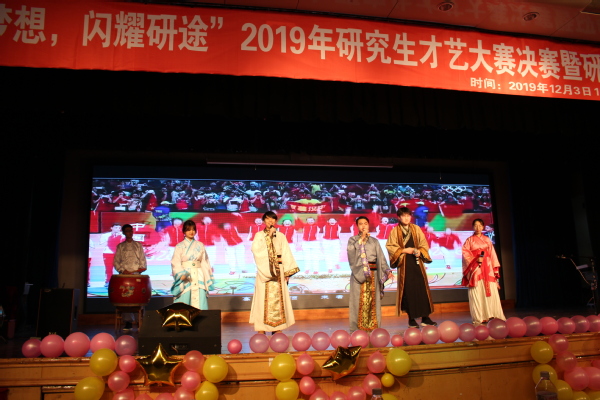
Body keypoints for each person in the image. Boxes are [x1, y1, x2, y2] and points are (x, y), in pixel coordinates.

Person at [249, 211, 299, 334]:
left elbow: (286, 252)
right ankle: (261, 327)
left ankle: (277, 327)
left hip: (279, 271)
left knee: (279, 299)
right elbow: (256, 250)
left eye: (273, 219)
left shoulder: (281, 236)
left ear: (276, 221)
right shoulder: (259, 235)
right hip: (264, 271)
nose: (270, 221)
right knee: (262, 298)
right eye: (267, 219)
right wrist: (268, 237)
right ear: (264, 220)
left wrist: (287, 272)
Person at [386, 207, 436, 328]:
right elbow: (390, 246)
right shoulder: (395, 231)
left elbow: (423, 244)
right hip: (404, 263)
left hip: (417, 262)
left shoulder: (416, 228)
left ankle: (425, 317)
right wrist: (404, 250)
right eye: (403, 216)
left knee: (421, 288)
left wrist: (419, 251)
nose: (406, 218)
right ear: (399, 217)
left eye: (408, 216)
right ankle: (411, 318)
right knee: (408, 290)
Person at [347, 216, 392, 333]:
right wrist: (360, 240)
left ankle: (374, 330)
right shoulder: (352, 240)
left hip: (373, 275)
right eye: (360, 224)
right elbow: (351, 256)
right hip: (359, 275)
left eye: (365, 223)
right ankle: (356, 330)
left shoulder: (374, 241)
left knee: (373, 302)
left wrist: (387, 270)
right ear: (357, 226)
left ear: (368, 225)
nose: (363, 226)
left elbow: (381, 258)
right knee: (358, 302)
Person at [462, 218, 506, 325]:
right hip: (476, 268)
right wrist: (475, 260)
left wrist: (494, 269)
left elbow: (492, 254)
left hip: (487, 267)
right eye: (475, 225)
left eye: (480, 225)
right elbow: (465, 254)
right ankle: (479, 317)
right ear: (473, 227)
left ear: (483, 227)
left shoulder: (487, 239)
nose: (478, 228)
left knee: (490, 289)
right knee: (477, 290)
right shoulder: (469, 240)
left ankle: (492, 314)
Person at [170, 220, 215, 309]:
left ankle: (201, 318)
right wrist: (181, 274)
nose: (191, 232)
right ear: (184, 231)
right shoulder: (179, 246)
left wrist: (207, 277)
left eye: (193, 229)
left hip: (199, 274)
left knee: (200, 298)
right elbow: (176, 262)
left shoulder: (200, 245)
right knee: (185, 298)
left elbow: (205, 262)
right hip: (186, 275)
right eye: (188, 230)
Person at [113, 224, 148, 331]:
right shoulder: (120, 246)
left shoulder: (138, 245)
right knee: (126, 298)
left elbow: (142, 260)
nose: (129, 232)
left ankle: (140, 321)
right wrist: (123, 270)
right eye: (127, 231)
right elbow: (116, 262)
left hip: (136, 275)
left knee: (138, 298)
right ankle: (128, 322)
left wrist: (138, 270)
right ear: (124, 232)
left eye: (131, 230)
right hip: (124, 276)